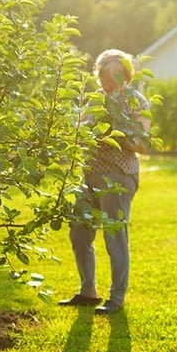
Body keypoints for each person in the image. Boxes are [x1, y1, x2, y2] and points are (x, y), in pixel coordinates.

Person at [60, 49, 151, 315]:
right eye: (103, 76)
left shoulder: (136, 102)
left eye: (114, 76)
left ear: (126, 76)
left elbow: (142, 146)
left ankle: (116, 298)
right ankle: (88, 291)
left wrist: (115, 129)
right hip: (88, 174)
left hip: (118, 175)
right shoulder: (94, 101)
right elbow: (79, 134)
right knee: (79, 232)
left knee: (115, 236)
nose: (108, 82)